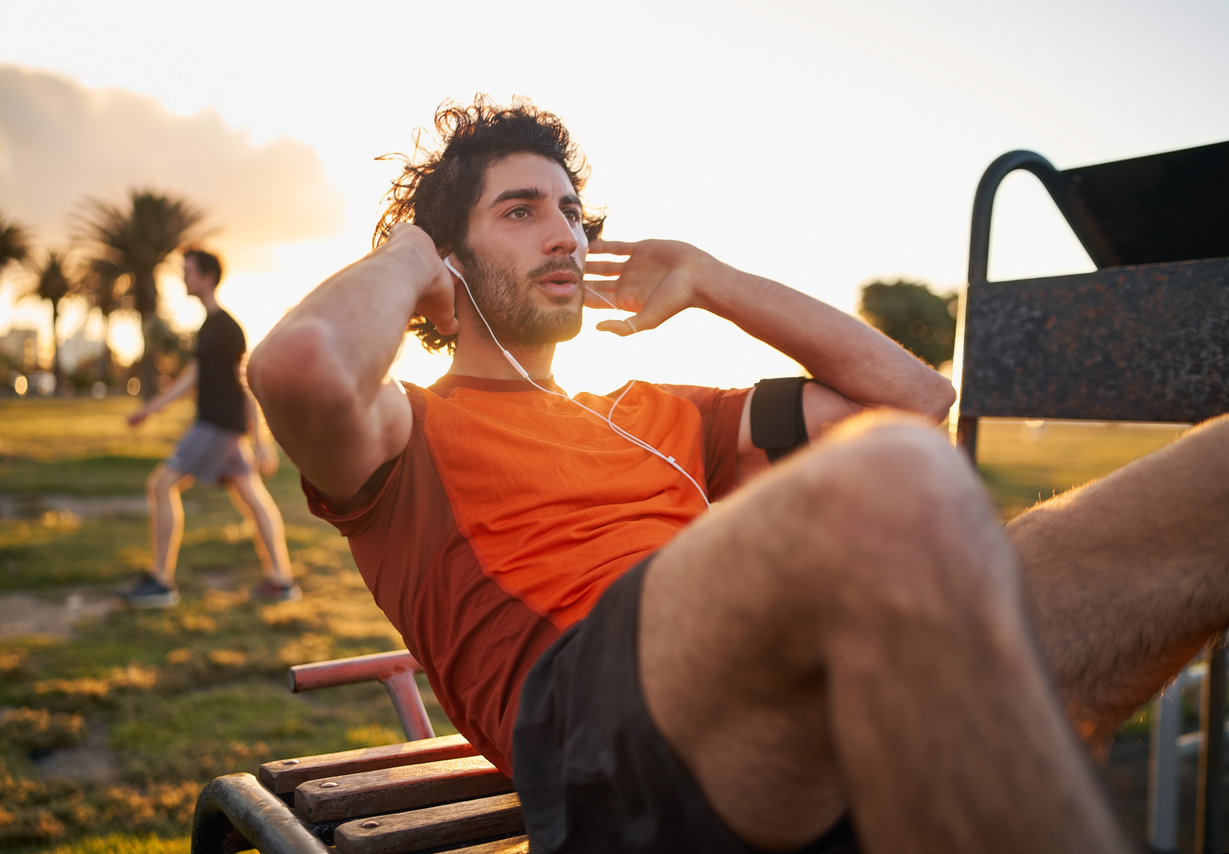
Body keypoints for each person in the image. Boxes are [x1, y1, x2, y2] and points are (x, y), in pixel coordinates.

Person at [246, 97, 1229, 853]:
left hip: (804, 676)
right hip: (596, 733)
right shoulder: (405, 430)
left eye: (571, 210)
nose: (565, 233)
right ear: (447, 266)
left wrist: (714, 280)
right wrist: (411, 244)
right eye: (520, 210)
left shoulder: (653, 409)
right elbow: (302, 367)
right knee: (885, 480)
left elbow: (913, 397)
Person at [121, 248, 300, 608]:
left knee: (161, 485)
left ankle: (161, 582)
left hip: (217, 426)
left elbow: (241, 382)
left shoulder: (226, 329)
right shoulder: (210, 327)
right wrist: (150, 410)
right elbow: (195, 379)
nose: (183, 277)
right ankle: (282, 580)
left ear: (206, 277)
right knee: (253, 498)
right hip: (225, 429)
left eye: (187, 270)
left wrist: (260, 439)